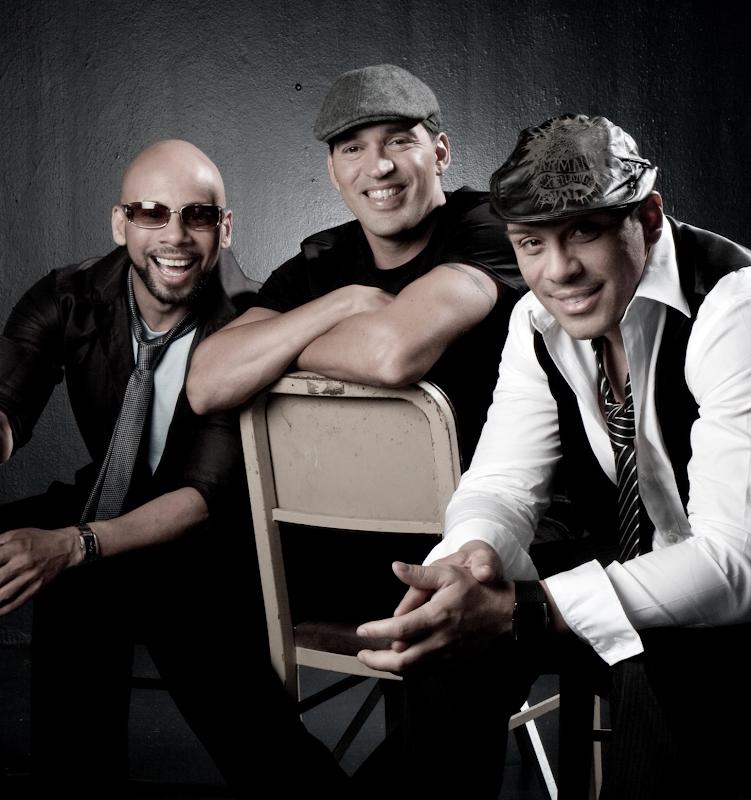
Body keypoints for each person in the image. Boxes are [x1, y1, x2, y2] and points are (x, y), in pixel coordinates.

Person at [356, 115, 751, 799]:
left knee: (658, 659)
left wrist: (524, 609)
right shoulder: (538, 320)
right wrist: (469, 560)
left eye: (583, 232)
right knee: (450, 633)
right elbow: (502, 483)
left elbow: (739, 565)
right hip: (644, 559)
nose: (558, 271)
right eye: (531, 243)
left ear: (647, 216)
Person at [0, 140, 348, 796]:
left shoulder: (248, 325)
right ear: (120, 223)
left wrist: (73, 547)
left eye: (198, 215)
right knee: (75, 566)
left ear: (225, 227)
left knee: (106, 586)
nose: (176, 236)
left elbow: (203, 497)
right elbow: (8, 400)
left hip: (218, 540)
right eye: (152, 213)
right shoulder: (69, 295)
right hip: (104, 501)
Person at [187, 64, 524, 620]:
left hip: (475, 541)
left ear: (440, 153)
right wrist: (343, 304)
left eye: (399, 141)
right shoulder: (322, 262)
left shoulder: (489, 226)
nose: (379, 166)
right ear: (333, 170)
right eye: (353, 148)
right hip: (340, 546)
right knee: (197, 587)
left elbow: (393, 355)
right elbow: (207, 382)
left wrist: (276, 349)